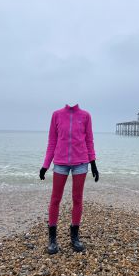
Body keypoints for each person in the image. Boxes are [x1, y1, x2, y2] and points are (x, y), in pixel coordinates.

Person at [39, 103, 99, 254]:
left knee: (77, 199)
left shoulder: (86, 115)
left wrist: (93, 163)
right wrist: (45, 165)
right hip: (60, 163)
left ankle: (74, 236)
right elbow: (52, 142)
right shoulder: (56, 115)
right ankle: (52, 239)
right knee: (55, 199)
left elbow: (89, 141)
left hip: (81, 163)